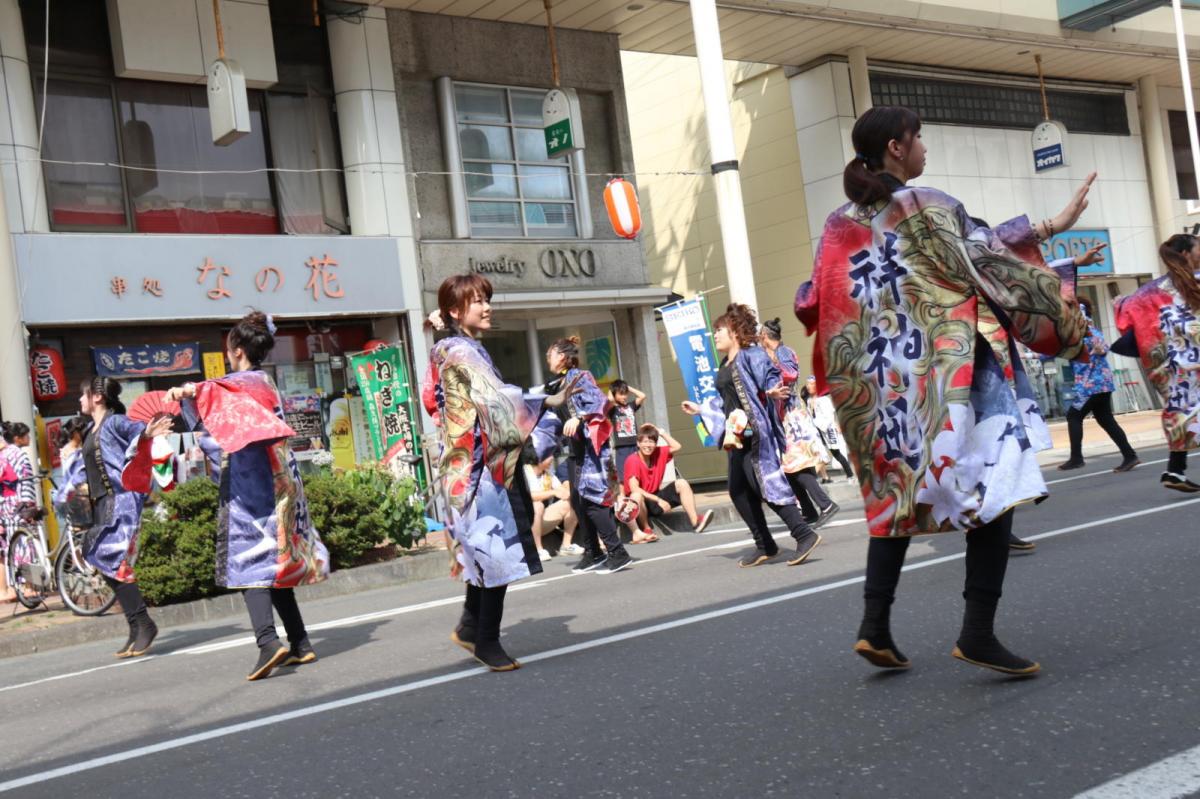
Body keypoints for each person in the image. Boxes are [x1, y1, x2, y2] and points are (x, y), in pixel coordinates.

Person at [795, 105, 1092, 676]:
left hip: (881, 385)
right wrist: (1052, 239)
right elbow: (984, 259)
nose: (924, 147)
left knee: (900, 493)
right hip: (948, 373)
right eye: (918, 137)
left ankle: (874, 627)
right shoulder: (923, 205)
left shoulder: (839, 223)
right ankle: (977, 631)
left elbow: (812, 298)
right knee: (996, 487)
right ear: (895, 148)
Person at [423, 276, 580, 670]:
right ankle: (486, 640)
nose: (487, 306)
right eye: (477, 301)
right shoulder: (461, 350)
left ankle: (470, 627)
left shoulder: (456, 347)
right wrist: (546, 398)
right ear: (456, 311)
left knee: (482, 552)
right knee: (494, 554)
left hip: (467, 463)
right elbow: (497, 402)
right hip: (478, 466)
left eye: (487, 299)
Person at [163, 311, 329, 681]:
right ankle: (300, 642)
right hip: (280, 478)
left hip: (254, 486)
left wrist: (185, 391)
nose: (226, 358)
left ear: (237, 351)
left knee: (248, 561)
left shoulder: (240, 383)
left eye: (228, 352)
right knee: (274, 562)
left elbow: (209, 401)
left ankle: (268, 642)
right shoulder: (264, 382)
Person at [682, 304, 822, 568]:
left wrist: (771, 390)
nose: (716, 335)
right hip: (736, 433)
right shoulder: (725, 363)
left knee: (762, 484)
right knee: (738, 490)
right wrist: (700, 408)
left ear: (734, 331)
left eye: (720, 330)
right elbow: (725, 402)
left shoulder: (751, 355)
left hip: (753, 431)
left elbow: (771, 375)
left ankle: (804, 533)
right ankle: (766, 545)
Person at [78, 377, 168, 657]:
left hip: (123, 500)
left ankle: (143, 623)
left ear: (97, 397)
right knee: (99, 557)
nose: (79, 400)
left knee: (113, 560)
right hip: (105, 502)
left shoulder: (115, 422)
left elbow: (139, 431)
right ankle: (136, 625)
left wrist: (149, 432)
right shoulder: (91, 429)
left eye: (83, 395)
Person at [1112, 234, 1200, 493]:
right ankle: (1175, 470)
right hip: (1191, 361)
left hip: (1174, 366)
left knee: (1182, 412)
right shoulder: (1192, 283)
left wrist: (1119, 304)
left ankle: (1175, 470)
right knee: (1188, 413)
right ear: (1186, 254)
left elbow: (1124, 315)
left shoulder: (1150, 291)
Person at [545, 336, 634, 575]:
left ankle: (618, 552)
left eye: (550, 354)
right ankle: (593, 551)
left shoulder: (580, 376)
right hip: (577, 450)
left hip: (593, 451)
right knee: (579, 502)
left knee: (594, 501)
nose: (548, 359)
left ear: (562, 356)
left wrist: (579, 417)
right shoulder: (560, 382)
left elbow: (600, 402)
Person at [759, 319, 841, 528]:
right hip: (786, 415)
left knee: (796, 465)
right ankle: (810, 510)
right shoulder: (779, 352)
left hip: (791, 415)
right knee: (789, 467)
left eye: (761, 336)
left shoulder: (783, 352)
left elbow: (790, 373)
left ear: (766, 337)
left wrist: (772, 364)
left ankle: (825, 504)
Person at [1055, 298, 1140, 474]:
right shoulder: (1084, 332)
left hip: (1091, 386)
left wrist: (1100, 349)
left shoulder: (1087, 332)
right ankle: (1129, 455)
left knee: (1074, 415)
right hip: (1101, 384)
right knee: (1105, 419)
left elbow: (1102, 348)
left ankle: (1076, 458)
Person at [623, 424, 714, 535]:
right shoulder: (632, 460)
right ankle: (646, 528)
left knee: (682, 483)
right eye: (645, 442)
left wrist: (660, 431)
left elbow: (677, 446)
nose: (648, 445)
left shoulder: (658, 453)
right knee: (636, 495)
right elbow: (634, 488)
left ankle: (696, 522)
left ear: (656, 444)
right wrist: (658, 500)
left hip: (654, 499)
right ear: (638, 443)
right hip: (640, 505)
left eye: (651, 442)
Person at [0, 421, 37, 603]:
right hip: (18, 503)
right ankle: (28, 586)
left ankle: (13, 587)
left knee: (9, 546)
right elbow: (26, 481)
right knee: (24, 544)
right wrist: (28, 504)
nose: (29, 438)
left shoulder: (3, 455)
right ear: (17, 438)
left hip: (5, 504)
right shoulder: (19, 455)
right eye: (27, 435)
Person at [523, 448, 579, 560]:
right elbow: (529, 497)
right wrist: (554, 492)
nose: (552, 458)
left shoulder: (548, 474)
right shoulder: (524, 472)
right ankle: (537, 550)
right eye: (549, 456)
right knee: (537, 506)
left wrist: (567, 489)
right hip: (525, 524)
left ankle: (566, 545)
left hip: (542, 520)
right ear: (538, 459)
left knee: (573, 500)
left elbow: (562, 491)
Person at [801, 376, 855, 484]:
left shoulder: (824, 400)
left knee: (836, 453)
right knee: (818, 453)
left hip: (827, 429)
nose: (808, 387)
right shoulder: (809, 400)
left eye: (810, 384)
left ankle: (850, 474)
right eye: (807, 384)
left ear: (817, 386)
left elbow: (829, 417)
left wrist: (822, 424)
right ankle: (821, 478)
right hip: (816, 432)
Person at [608, 380, 646, 483]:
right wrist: (611, 392)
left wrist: (629, 388)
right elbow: (610, 399)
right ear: (614, 394)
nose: (624, 397)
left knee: (638, 472)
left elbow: (642, 396)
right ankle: (625, 496)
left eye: (625, 394)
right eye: (621, 394)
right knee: (623, 475)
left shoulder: (631, 406)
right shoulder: (612, 409)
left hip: (635, 445)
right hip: (622, 447)